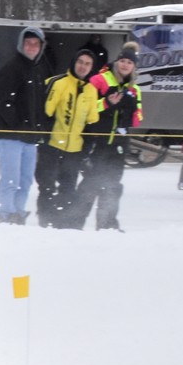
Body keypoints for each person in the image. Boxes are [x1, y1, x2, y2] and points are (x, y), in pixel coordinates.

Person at [75, 42, 143, 230]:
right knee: (90, 184)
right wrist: (106, 103)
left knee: (112, 186)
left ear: (134, 67)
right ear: (117, 62)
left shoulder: (135, 89)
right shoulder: (100, 80)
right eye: (123, 61)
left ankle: (107, 225)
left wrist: (129, 109)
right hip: (98, 142)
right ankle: (74, 223)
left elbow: (138, 120)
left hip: (118, 145)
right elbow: (86, 108)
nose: (125, 65)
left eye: (130, 62)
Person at [0, 26, 54, 224]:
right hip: (9, 136)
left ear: (41, 46)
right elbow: (4, 103)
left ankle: (18, 212)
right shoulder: (11, 68)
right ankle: (6, 214)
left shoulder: (39, 70)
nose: (32, 47)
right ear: (21, 44)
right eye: (28, 43)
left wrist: (40, 128)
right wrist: (18, 125)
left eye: (36, 44)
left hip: (30, 138)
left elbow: (39, 105)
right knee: (10, 179)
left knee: (25, 180)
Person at [36, 47, 100, 228]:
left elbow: (92, 122)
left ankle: (62, 225)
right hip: (52, 146)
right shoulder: (58, 82)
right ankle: (45, 223)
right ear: (74, 62)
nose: (83, 66)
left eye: (87, 64)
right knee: (47, 187)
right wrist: (45, 141)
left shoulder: (91, 90)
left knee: (68, 189)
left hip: (74, 150)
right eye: (80, 62)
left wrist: (86, 149)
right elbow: (45, 113)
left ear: (92, 68)